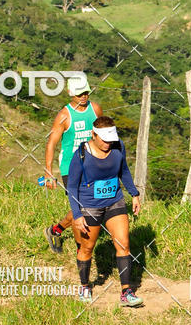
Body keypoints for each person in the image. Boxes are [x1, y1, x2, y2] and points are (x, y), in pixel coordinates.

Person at [66, 115, 143, 307]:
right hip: (90, 206)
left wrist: (134, 194)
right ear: (94, 135)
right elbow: (72, 187)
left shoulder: (118, 147)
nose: (108, 144)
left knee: (123, 245)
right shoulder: (81, 154)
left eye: (111, 140)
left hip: (115, 202)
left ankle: (126, 292)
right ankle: (85, 285)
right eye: (105, 140)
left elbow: (123, 171)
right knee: (86, 248)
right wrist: (76, 215)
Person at [44, 75, 102, 254]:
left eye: (85, 92)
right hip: (71, 167)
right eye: (79, 94)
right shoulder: (64, 115)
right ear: (70, 93)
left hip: (93, 164)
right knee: (81, 209)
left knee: (94, 206)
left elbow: (102, 134)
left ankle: (56, 230)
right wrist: (48, 172)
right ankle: (81, 253)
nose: (83, 96)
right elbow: (51, 143)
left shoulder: (95, 109)